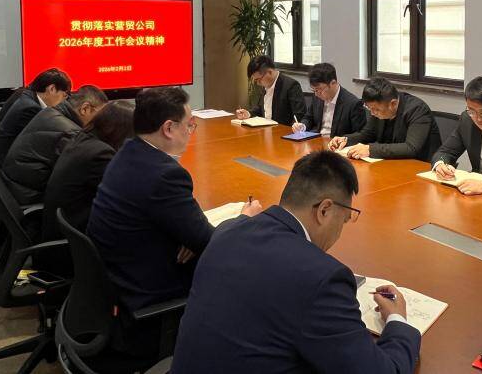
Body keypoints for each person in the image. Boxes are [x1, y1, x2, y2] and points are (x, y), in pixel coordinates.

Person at [171, 150, 421, 373]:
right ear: (324, 210)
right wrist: (397, 320)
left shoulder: (228, 230)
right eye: (344, 220)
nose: (340, 232)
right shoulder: (322, 279)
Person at [87, 87, 262, 313]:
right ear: (168, 128)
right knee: (246, 258)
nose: (191, 132)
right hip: (147, 288)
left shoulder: (128, 152)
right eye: (189, 125)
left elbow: (193, 234)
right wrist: (244, 218)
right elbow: (209, 242)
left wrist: (190, 235)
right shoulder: (164, 175)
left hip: (118, 275)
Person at [42, 100, 135, 248]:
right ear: (121, 131)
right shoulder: (100, 154)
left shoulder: (83, 139)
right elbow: (126, 195)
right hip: (75, 245)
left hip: (62, 232)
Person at [2, 85, 107, 205]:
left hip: (17, 186)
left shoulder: (50, 112)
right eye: (101, 116)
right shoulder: (70, 132)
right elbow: (75, 174)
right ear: (85, 109)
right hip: (29, 195)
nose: (102, 121)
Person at [328, 77, 441, 162]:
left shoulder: (417, 110)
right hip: (392, 164)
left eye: (376, 109)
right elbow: (367, 134)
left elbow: (411, 148)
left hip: (420, 166)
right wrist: (346, 139)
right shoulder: (378, 107)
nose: (372, 113)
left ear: (393, 104)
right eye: (369, 108)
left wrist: (370, 149)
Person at [0, 68, 72, 167]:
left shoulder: (24, 95)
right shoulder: (31, 109)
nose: (63, 102)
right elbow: (37, 144)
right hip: (3, 164)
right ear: (52, 89)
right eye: (64, 96)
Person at [291, 62, 366, 137]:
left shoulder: (353, 104)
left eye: (319, 90)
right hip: (316, 140)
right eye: (314, 90)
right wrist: (302, 126)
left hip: (336, 142)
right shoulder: (317, 96)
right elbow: (309, 117)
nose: (316, 94)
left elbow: (359, 134)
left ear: (333, 83)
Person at [235, 55, 306, 126]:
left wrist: (292, 128)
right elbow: (261, 108)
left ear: (269, 72)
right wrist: (248, 113)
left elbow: (299, 115)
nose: (258, 83)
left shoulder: (291, 86)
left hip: (281, 130)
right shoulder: (266, 85)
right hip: (265, 129)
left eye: (258, 80)